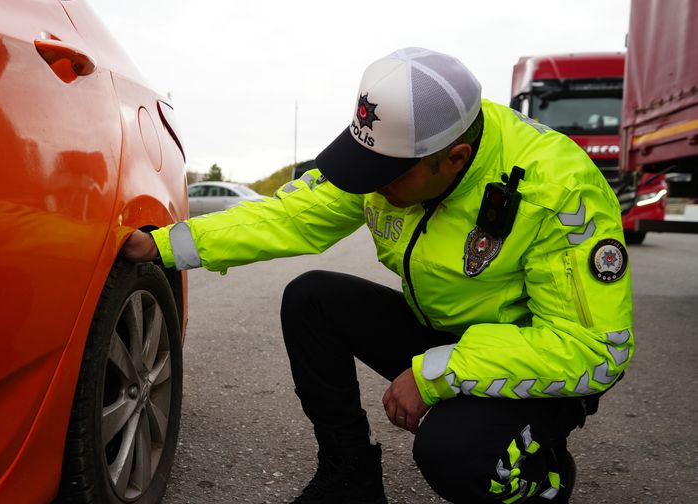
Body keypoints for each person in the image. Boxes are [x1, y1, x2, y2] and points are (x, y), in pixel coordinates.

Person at [123, 47, 634, 503]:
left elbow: (594, 349)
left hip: (534, 357)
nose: (368, 186)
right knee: (311, 298)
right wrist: (165, 245)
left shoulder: (561, 192)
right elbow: (289, 216)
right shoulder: (394, 155)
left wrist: (439, 373)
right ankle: (350, 477)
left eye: (383, 176)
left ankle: (544, 478)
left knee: (453, 457)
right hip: (443, 330)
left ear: (453, 159)